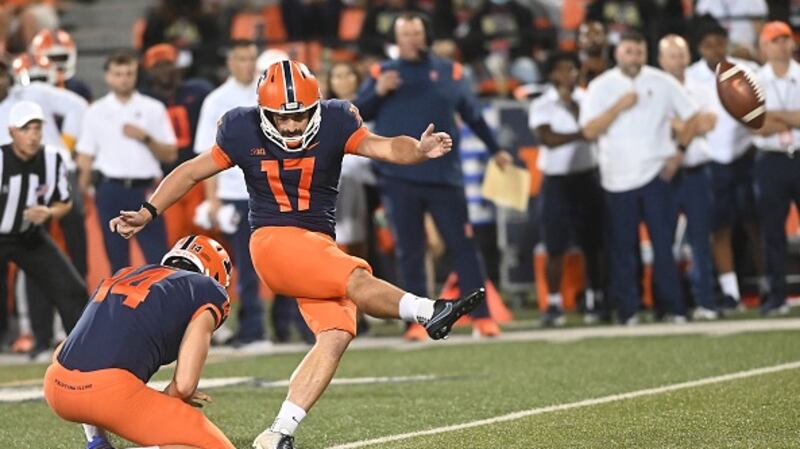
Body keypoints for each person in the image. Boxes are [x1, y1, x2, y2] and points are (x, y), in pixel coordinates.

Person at [109, 59, 485, 449]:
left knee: (336, 335)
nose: (292, 126)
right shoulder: (241, 127)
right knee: (355, 277)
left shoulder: (338, 120)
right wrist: (148, 211)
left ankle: (278, 431)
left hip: (318, 247)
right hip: (274, 241)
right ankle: (427, 311)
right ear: (263, 112)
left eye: (301, 116)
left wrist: (419, 151)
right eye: (282, 118)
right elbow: (190, 171)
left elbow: (385, 147)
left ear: (316, 107)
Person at [355, 12, 511, 338]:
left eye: (415, 33)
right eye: (404, 34)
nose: (411, 39)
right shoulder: (381, 72)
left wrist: (495, 149)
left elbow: (472, 114)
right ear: (396, 40)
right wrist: (377, 91)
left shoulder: (450, 71)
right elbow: (358, 113)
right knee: (410, 250)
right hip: (399, 177)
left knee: (463, 246)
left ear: (426, 35)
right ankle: (417, 321)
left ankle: (482, 318)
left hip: (444, 177)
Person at [44, 235, 235, 449]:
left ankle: (97, 441)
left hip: (56, 385)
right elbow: (184, 386)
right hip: (106, 393)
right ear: (215, 276)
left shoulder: (124, 274)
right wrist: (167, 399)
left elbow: (64, 351)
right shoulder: (207, 290)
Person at [580, 31, 704, 324]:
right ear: (617, 53)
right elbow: (588, 131)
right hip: (615, 178)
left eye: (638, 52)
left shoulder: (661, 81)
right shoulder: (601, 86)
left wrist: (679, 152)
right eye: (628, 52)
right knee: (623, 248)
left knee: (663, 246)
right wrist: (618, 107)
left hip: (655, 175)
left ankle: (671, 307)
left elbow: (693, 116)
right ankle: (629, 309)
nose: (634, 58)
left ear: (645, 54)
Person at [194, 39, 272, 347]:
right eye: (241, 58)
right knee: (238, 265)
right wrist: (212, 198)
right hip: (233, 192)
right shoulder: (216, 100)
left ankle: (258, 327)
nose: (248, 65)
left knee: (260, 264)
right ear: (230, 62)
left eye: (252, 58)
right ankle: (249, 327)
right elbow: (205, 152)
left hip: (264, 190)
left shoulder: (266, 91)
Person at [685, 19, 764, 310]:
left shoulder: (748, 71)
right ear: (699, 48)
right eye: (708, 45)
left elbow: (762, 110)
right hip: (713, 161)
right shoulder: (690, 79)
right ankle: (731, 291)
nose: (715, 50)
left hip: (746, 155)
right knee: (721, 227)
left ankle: (766, 285)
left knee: (756, 223)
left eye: (720, 43)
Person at [76, 50, 177, 273]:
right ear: (108, 76)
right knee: (117, 260)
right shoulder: (95, 111)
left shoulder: (153, 108)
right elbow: (85, 156)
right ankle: (122, 307)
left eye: (129, 73)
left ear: (136, 75)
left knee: (158, 259)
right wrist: (82, 193)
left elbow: (170, 154)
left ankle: (159, 307)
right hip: (110, 190)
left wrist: (146, 137)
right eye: (118, 73)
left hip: (146, 192)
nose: (124, 78)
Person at [0, 101, 86, 351]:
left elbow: (64, 202)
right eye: (26, 129)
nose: (33, 135)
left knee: (73, 289)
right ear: (12, 131)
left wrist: (48, 212)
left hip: (29, 236)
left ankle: (82, 352)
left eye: (37, 128)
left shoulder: (52, 159)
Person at [529, 51, 605, 326]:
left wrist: (574, 107)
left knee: (592, 243)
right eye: (561, 69)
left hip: (586, 177)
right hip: (557, 182)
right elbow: (547, 138)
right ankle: (553, 303)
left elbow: (594, 127)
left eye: (572, 69)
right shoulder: (542, 104)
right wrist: (582, 134)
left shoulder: (587, 98)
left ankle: (595, 299)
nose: (568, 75)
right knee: (555, 245)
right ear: (551, 74)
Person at [658, 34, 720, 320]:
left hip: (696, 171)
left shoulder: (702, 86)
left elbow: (709, 122)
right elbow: (663, 127)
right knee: (664, 242)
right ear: (661, 60)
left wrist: (682, 127)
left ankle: (705, 301)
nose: (678, 60)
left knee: (701, 240)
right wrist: (691, 123)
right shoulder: (654, 90)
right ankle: (672, 306)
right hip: (666, 176)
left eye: (681, 54)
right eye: (671, 55)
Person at [141, 42, 213, 245]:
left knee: (205, 230)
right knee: (175, 237)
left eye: (167, 64)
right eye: (158, 66)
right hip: (165, 178)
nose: (164, 71)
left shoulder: (199, 91)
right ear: (149, 71)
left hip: (199, 173)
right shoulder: (144, 101)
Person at [751, 21, 800, 316]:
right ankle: (776, 295)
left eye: (785, 39)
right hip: (770, 160)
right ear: (763, 46)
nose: (782, 44)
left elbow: (766, 119)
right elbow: (755, 125)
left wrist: (774, 116)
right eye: (775, 40)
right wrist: (791, 118)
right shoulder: (755, 80)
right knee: (771, 232)